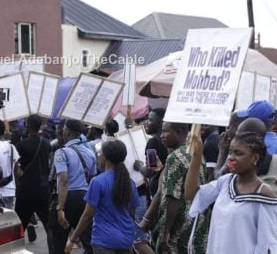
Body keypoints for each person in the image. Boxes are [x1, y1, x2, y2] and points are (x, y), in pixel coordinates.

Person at [184, 128, 277, 253]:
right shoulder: (225, 182)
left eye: (238, 153)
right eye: (230, 152)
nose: (231, 158)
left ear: (254, 158)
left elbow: (267, 244)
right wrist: (197, 155)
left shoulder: (263, 193)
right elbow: (192, 194)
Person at [65, 139, 140, 254]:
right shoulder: (130, 183)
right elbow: (132, 213)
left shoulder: (98, 182)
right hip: (126, 239)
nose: (98, 156)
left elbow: (87, 215)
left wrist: (73, 239)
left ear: (105, 158)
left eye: (100, 153)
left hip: (104, 240)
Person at [155, 121, 209, 253]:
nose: (161, 135)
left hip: (179, 227)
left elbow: (173, 197)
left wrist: (166, 231)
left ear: (178, 132)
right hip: (198, 223)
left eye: (165, 131)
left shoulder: (174, 157)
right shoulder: (198, 154)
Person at [49, 119, 97, 254]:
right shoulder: (90, 153)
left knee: (57, 240)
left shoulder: (62, 152)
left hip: (67, 198)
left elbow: (63, 181)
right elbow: (91, 177)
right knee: (87, 240)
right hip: (84, 197)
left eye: (64, 129)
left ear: (68, 132)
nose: (62, 131)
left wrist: (60, 208)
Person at [133, 108, 168, 254]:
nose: (147, 122)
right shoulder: (167, 141)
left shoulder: (153, 142)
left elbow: (151, 169)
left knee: (142, 239)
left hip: (156, 196)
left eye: (151, 120)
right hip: (164, 193)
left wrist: (139, 166)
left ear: (160, 122)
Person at [15, 114, 51, 247]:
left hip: (26, 191)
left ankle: (14, 250)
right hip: (42, 190)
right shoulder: (46, 143)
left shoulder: (22, 145)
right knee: (49, 227)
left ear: (28, 126)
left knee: (18, 228)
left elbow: (17, 167)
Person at [0, 119, 21, 209]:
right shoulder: (11, 147)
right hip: (11, 191)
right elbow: (16, 169)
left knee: (0, 221)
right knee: (10, 221)